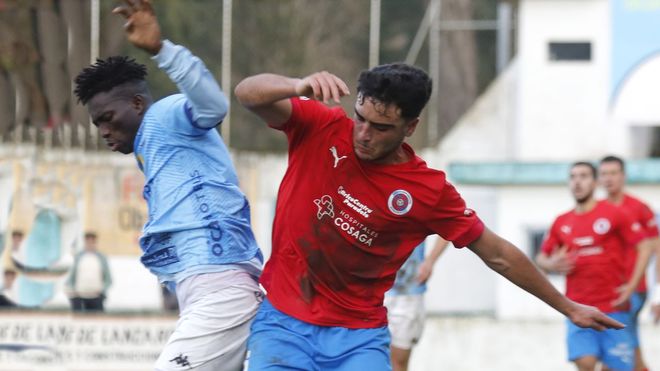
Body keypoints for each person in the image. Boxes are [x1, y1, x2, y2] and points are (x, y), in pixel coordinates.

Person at [234, 65, 624, 370]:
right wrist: (296, 83)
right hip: (283, 320)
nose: (364, 134)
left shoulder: (428, 191)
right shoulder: (321, 126)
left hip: (357, 337)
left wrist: (567, 307)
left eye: (381, 127)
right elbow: (246, 94)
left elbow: (498, 254)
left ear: (410, 127)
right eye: (361, 119)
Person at [74, 1, 262, 369]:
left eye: (108, 119)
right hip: (208, 290)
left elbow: (212, 107)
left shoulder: (165, 116)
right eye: (99, 125)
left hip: (221, 287)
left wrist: (162, 50)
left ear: (139, 103)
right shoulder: (150, 146)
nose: (105, 132)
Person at [536, 162, 654, 371]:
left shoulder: (614, 214)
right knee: (585, 362)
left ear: (595, 182)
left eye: (584, 176)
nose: (578, 182)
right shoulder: (561, 221)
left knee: (618, 367)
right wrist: (551, 263)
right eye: (573, 177)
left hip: (614, 307)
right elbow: (541, 258)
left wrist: (631, 287)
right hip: (577, 308)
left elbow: (645, 246)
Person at [599, 155, 660, 371]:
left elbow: (657, 250)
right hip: (604, 290)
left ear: (623, 176)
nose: (609, 178)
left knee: (617, 349)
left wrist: (658, 295)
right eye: (604, 173)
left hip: (633, 289)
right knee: (627, 347)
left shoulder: (640, 209)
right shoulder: (596, 210)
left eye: (613, 173)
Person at [385, 237, 449, 371]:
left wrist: (430, 261)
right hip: (369, 291)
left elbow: (452, 226)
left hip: (406, 291)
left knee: (398, 361)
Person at [65, 232, 112, 312]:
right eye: (88, 242)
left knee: (96, 321)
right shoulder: (78, 257)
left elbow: (108, 279)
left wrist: (101, 290)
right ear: (85, 242)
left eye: (92, 242)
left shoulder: (101, 258)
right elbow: (71, 277)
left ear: (95, 243)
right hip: (79, 296)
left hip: (96, 297)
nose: (90, 244)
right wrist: (73, 290)